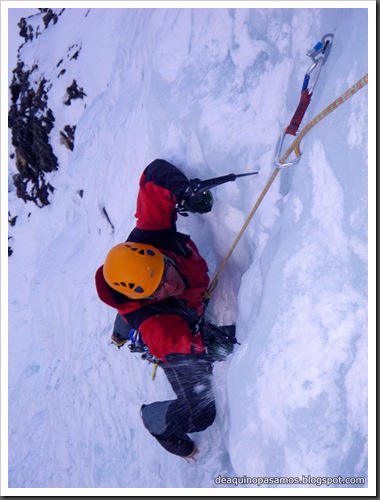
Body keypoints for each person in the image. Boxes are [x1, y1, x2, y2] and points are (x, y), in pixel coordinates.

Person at [95, 159, 236, 458]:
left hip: (157, 310)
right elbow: (173, 343)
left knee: (143, 313)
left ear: (158, 256)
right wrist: (207, 344)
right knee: (200, 414)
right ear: (146, 298)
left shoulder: (152, 237)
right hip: (167, 329)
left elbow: (152, 175)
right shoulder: (156, 323)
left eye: (166, 273)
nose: (171, 286)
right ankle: (157, 422)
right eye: (158, 289)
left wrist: (182, 192)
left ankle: (123, 321)